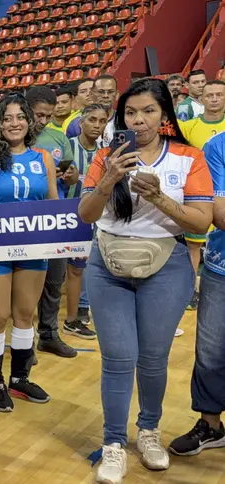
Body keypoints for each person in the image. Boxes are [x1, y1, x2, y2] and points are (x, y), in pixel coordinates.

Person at [78, 78, 213, 483]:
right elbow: (85, 215)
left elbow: (201, 223)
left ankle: (149, 431)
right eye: (131, 113)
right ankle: (114, 442)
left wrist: (158, 198)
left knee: (154, 359)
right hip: (107, 265)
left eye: (148, 111)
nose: (138, 120)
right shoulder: (106, 157)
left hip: (167, 266)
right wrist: (107, 180)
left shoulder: (188, 157)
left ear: (164, 114)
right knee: (118, 358)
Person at [0, 94, 58, 412]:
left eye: (19, 117)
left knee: (25, 314)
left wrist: (67, 239)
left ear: (29, 121)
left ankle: (19, 378)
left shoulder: (43, 158)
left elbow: (53, 203)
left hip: (34, 245)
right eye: (6, 118)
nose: (14, 123)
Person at [168, 130, 225, 456]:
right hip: (221, 266)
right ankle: (210, 425)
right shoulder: (218, 146)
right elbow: (219, 213)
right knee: (211, 352)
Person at [26, 87, 90, 354]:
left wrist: (70, 175)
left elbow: (72, 175)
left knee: (54, 279)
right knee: (24, 283)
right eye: (38, 115)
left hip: (54, 217)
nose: (43, 121)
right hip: (23, 218)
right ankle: (23, 339)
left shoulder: (58, 137)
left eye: (48, 115)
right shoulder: (11, 137)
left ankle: (49, 334)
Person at [63, 104, 109, 332]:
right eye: (92, 120)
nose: (97, 125)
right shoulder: (66, 147)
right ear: (81, 122)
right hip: (65, 214)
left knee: (83, 265)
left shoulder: (106, 152)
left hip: (94, 217)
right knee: (68, 268)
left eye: (102, 121)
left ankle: (81, 309)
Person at [180, 80, 225, 311]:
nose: (214, 99)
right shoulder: (189, 126)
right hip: (199, 195)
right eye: (210, 95)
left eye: (219, 94)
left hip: (222, 197)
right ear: (202, 98)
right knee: (193, 246)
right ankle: (190, 291)